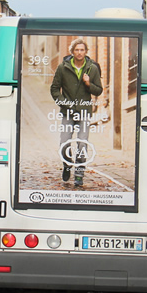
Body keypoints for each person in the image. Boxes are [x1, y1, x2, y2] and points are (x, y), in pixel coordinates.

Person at [49, 38, 103, 187]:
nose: (79, 53)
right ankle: (67, 164)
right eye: (77, 50)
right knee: (64, 142)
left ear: (86, 52)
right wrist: (64, 102)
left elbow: (99, 89)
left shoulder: (92, 69)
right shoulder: (62, 68)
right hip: (67, 112)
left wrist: (88, 83)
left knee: (82, 144)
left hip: (84, 112)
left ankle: (79, 173)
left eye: (82, 50)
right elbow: (54, 89)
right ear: (72, 52)